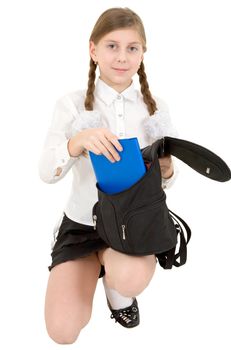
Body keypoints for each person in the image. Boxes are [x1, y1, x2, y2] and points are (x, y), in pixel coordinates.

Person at [39, 7, 178, 345]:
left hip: (134, 224)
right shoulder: (72, 104)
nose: (122, 57)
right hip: (84, 223)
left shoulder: (155, 108)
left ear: (142, 54)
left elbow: (169, 181)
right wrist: (76, 143)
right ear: (93, 50)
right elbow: (46, 173)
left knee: (128, 279)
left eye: (133, 48)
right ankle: (96, 266)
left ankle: (118, 293)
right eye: (112, 46)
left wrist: (167, 167)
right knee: (62, 330)